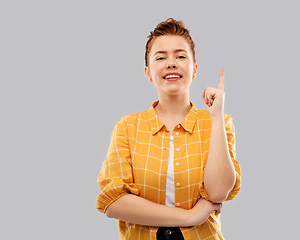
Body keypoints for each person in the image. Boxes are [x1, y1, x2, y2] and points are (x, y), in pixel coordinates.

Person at [96, 18, 241, 240]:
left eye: (180, 56)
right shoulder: (127, 126)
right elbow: (113, 200)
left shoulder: (218, 123)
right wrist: (191, 216)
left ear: (194, 70)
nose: (171, 63)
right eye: (161, 57)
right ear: (147, 72)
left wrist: (217, 118)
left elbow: (219, 192)